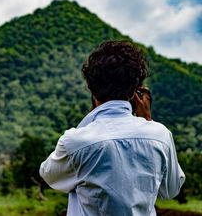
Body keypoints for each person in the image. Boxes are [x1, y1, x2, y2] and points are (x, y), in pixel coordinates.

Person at [39, 40, 185, 215]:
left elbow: (49, 175)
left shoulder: (75, 141)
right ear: (134, 91)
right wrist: (147, 121)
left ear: (89, 86)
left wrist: (91, 118)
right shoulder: (160, 135)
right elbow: (170, 190)